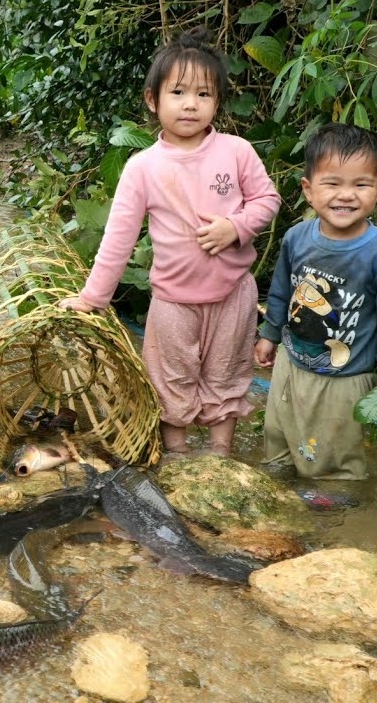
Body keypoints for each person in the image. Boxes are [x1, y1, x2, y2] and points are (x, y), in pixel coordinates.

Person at [58, 27, 281, 457]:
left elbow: (267, 198)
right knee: (171, 378)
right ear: (152, 99)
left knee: (226, 373)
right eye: (178, 92)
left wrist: (236, 227)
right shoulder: (142, 167)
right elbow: (118, 239)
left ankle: (220, 455)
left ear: (217, 102)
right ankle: (177, 457)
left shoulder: (236, 151)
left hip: (233, 295)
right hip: (174, 300)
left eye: (204, 94)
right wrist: (92, 297)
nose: (191, 104)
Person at [254, 123, 377, 479]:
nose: (346, 195)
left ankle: (331, 526)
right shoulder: (297, 238)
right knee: (278, 440)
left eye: (361, 184)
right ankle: (278, 501)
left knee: (334, 460)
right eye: (332, 183)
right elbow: (283, 290)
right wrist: (269, 335)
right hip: (290, 362)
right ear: (308, 190)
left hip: (344, 379)